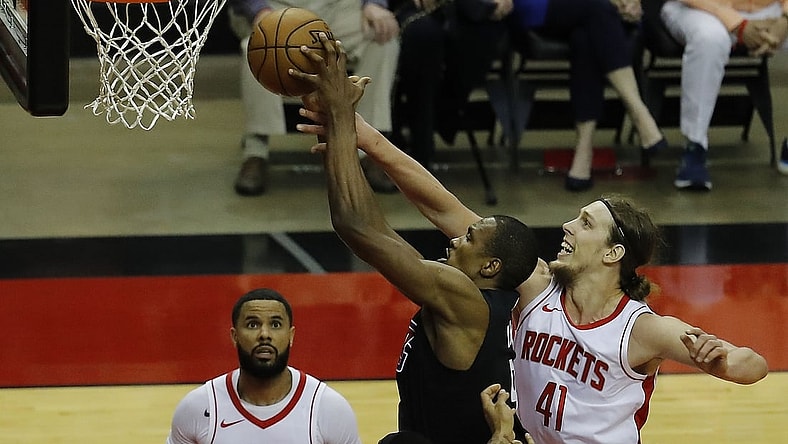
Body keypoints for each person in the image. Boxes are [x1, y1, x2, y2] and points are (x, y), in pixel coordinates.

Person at [297, 63, 768, 443]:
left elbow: (752, 366)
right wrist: (367, 138)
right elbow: (445, 209)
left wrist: (719, 356)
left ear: (613, 253)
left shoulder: (641, 328)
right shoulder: (538, 287)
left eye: (585, 224)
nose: (566, 226)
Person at [293, 34, 539, 444]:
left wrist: (339, 116)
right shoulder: (486, 302)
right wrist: (348, 129)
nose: (455, 241)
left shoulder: (464, 297)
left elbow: (357, 225)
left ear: (490, 267)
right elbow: (428, 205)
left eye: (470, 239)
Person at [226, 0, 400, 195]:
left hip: (339, 7)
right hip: (276, 6)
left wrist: (373, 3)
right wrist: (257, 9)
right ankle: (255, 151)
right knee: (259, 48)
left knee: (383, 38)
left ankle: (368, 149)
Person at [166, 288, 362, 444]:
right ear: (235, 337)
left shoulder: (327, 408)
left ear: (291, 336)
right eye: (253, 324)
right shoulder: (199, 407)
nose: (264, 334)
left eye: (275, 324)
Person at [510, 0, 667, 191]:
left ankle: (584, 149)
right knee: (598, 9)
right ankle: (638, 110)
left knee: (585, 38)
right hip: (542, 7)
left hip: (602, 13)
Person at [660, 0, 788, 189]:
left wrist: (785, 19)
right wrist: (738, 24)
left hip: (770, 10)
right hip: (699, 8)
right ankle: (694, 148)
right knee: (709, 38)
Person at [391, 0, 513, 170]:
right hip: (409, 10)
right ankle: (422, 140)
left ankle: (444, 114)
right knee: (425, 36)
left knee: (480, 32)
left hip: (460, 14)